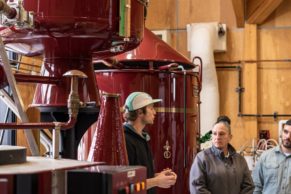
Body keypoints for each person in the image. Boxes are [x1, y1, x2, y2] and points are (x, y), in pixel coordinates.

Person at [123, 91, 177, 194]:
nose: (155, 112)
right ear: (139, 112)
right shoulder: (125, 140)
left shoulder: (142, 137)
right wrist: (156, 181)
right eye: (151, 108)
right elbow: (126, 187)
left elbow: (139, 177)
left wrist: (159, 176)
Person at [189, 116, 254, 194]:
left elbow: (248, 186)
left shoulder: (240, 160)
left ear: (230, 137)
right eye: (214, 134)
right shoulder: (202, 158)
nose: (217, 137)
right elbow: (197, 188)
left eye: (221, 134)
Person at [252, 119, 291, 194]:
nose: (288, 136)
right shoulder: (265, 157)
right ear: (281, 132)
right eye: (286, 132)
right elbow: (256, 186)